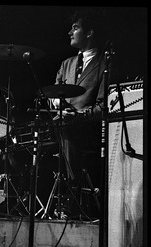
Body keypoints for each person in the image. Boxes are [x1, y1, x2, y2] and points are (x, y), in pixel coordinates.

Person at [50, 7, 113, 219]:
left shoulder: (105, 64)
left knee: (68, 132)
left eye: (75, 28)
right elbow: (53, 96)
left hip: (88, 130)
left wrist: (78, 116)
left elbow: (103, 107)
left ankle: (69, 200)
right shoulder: (65, 64)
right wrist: (57, 104)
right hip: (61, 126)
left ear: (89, 32)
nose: (70, 32)